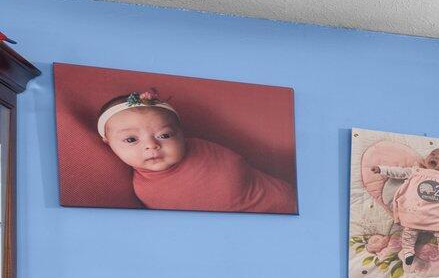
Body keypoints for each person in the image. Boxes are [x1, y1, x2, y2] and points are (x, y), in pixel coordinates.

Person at [95, 91, 296, 214]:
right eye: (131, 140)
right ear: (108, 143)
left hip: (281, 201)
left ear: (181, 135)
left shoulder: (201, 148)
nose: (151, 145)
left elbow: (237, 165)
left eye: (164, 135)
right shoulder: (143, 189)